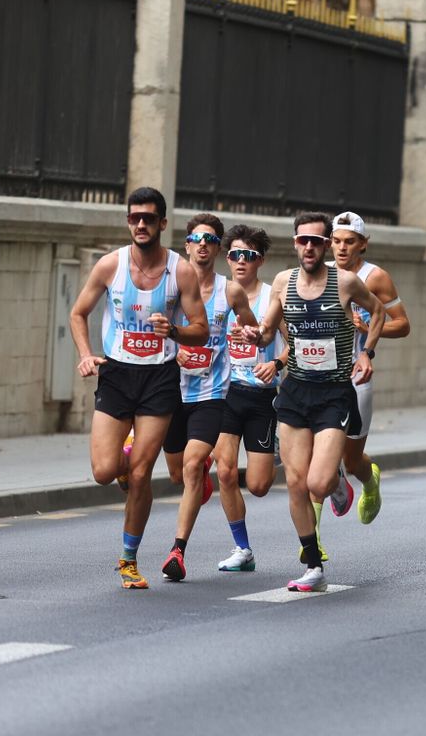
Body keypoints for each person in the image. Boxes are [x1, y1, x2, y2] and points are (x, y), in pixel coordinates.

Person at [70, 188, 208, 590]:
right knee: (104, 472)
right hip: (116, 374)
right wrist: (84, 353)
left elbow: (200, 331)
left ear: (163, 223)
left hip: (159, 378)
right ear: (129, 222)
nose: (141, 224)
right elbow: (78, 313)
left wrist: (176, 330)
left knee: (143, 473)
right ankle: (125, 458)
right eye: (135, 218)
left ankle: (128, 560)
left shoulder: (179, 272)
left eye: (149, 218)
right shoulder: (109, 266)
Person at [242, 212, 385, 592]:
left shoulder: (346, 282)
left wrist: (367, 352)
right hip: (295, 391)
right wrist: (255, 337)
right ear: (295, 243)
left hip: (335, 393)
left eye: (316, 242)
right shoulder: (283, 282)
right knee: (295, 483)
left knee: (317, 484)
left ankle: (336, 477)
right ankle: (313, 566)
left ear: (325, 247)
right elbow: (269, 330)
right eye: (302, 240)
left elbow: (380, 311)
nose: (309, 247)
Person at [160, 215, 257, 582]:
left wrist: (257, 338)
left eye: (211, 239)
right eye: (196, 238)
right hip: (171, 391)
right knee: (177, 473)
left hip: (212, 392)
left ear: (218, 248)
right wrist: (175, 345)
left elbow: (254, 328)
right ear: (186, 245)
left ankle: (177, 551)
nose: (202, 244)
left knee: (191, 463)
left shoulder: (229, 291)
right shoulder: (168, 286)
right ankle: (198, 482)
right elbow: (148, 328)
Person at [327, 211, 411, 525]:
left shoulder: (375, 277)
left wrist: (366, 331)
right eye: (336, 241)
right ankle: (312, 547)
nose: (342, 248)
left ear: (363, 244)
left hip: (358, 374)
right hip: (323, 376)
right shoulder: (319, 273)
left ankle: (369, 480)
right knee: (319, 451)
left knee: (351, 459)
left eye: (350, 242)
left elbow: (402, 325)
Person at [214, 225, 286, 573]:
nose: (241, 262)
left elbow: (295, 344)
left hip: (261, 397)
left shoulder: (274, 296)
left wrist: (276, 363)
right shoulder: (215, 293)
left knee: (258, 486)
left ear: (261, 260)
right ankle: (242, 548)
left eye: (249, 256)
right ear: (226, 258)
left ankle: (279, 446)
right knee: (225, 472)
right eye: (235, 255)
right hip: (225, 394)